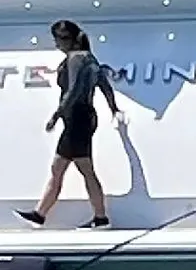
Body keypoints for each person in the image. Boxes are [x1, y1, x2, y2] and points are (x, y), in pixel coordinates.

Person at [20, 19, 124, 228]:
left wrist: (56, 114)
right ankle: (40, 214)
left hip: (77, 118)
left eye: (59, 39)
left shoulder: (76, 58)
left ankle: (100, 217)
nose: (57, 44)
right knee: (60, 168)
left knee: (82, 169)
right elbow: (105, 86)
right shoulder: (90, 58)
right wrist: (113, 108)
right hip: (84, 118)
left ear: (69, 39)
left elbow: (74, 90)